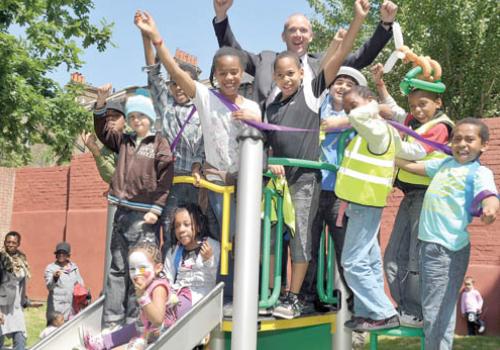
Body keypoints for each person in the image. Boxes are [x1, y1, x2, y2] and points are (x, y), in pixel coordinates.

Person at [134, 9, 260, 306]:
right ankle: (216, 294)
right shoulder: (206, 99)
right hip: (216, 186)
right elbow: (175, 74)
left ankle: (239, 295)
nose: (229, 77)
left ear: (241, 74)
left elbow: (265, 144)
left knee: (241, 240)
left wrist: (252, 124)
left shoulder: (253, 107)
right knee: (218, 237)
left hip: (244, 185)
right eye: (223, 73)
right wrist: (156, 38)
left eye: (234, 72)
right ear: (214, 76)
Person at [265, 0, 369, 319]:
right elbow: (269, 143)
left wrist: (357, 20)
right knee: (271, 235)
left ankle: (294, 297)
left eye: (292, 74)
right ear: (274, 76)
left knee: (301, 238)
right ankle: (272, 293)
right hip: (278, 181)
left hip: (305, 180)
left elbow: (338, 57)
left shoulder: (311, 93)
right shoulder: (271, 106)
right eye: (281, 75)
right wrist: (271, 161)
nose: (287, 79)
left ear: (301, 72)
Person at [396, 118, 499, 349]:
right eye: (457, 139)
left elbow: (489, 194)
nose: (462, 144)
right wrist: (388, 153)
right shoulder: (444, 164)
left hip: (444, 249)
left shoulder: (479, 172)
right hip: (429, 246)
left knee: (435, 311)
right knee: (440, 308)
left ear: (484, 146)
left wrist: (490, 208)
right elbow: (412, 167)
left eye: (470, 139)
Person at [335, 86, 428, 331]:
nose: (351, 112)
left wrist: (377, 109)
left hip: (365, 203)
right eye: (347, 108)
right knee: (369, 260)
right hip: (362, 204)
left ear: (369, 102)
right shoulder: (379, 132)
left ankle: (383, 313)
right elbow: (415, 150)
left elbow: (359, 117)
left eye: (354, 104)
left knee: (353, 262)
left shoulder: (375, 129)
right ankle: (369, 313)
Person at [370, 63, 455, 327]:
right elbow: (395, 112)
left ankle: (417, 310)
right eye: (414, 105)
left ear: (437, 102)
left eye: (423, 104)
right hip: (410, 197)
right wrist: (380, 85)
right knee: (393, 256)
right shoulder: (413, 122)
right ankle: (403, 307)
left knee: (415, 257)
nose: (417, 109)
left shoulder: (440, 126)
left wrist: (388, 149)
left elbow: (417, 150)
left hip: (427, 197)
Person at [212, 0, 397, 107]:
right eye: (292, 30)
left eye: (303, 30)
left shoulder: (322, 63)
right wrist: (221, 16)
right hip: (262, 145)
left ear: (311, 36)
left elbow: (360, 58)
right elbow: (234, 55)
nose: (298, 35)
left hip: (304, 147)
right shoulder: (265, 59)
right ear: (283, 36)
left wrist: (386, 24)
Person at [94, 87, 175, 330]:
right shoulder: (125, 141)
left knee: (138, 272)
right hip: (122, 214)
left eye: (141, 116)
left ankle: (133, 323)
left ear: (150, 117)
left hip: (144, 219)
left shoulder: (159, 143)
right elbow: (103, 132)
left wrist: (157, 209)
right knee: (117, 269)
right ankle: (111, 322)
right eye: (131, 117)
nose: (136, 121)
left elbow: (166, 180)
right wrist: (100, 104)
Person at [301, 66, 367, 312]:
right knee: (308, 245)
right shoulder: (315, 107)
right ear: (329, 86)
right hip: (313, 185)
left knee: (346, 249)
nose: (342, 87)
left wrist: (343, 122)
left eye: (349, 84)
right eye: (338, 82)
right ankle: (308, 299)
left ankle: (355, 306)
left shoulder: (360, 114)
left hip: (343, 191)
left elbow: (383, 115)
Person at [139, 28, 205, 257]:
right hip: (170, 179)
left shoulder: (202, 111)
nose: (178, 88)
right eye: (174, 83)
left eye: (183, 83)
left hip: (194, 182)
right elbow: (153, 74)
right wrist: (145, 37)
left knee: (195, 230)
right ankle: (168, 275)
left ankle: (190, 272)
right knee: (169, 229)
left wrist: (198, 164)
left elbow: (206, 145)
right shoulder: (167, 107)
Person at [81, 242, 191, 350]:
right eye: (132, 269)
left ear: (157, 268)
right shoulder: (146, 284)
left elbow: (158, 319)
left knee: (133, 342)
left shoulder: (159, 288)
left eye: (142, 268)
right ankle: (102, 342)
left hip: (161, 333)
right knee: (131, 329)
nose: (137, 273)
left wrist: (142, 296)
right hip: (146, 327)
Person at [164, 204, 220, 304]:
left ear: (198, 226)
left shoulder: (212, 246)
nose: (181, 230)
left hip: (202, 299)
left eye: (186, 224)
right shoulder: (174, 251)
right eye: (177, 226)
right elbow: (168, 277)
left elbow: (218, 280)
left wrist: (209, 260)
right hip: (178, 297)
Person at [82, 101, 127, 184]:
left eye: (116, 115)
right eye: (107, 116)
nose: (111, 119)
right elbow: (113, 179)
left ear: (125, 120)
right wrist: (96, 152)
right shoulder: (106, 150)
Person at [0, 231, 30, 350]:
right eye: (8, 242)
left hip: (16, 306)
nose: (10, 244)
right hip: (2, 306)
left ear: (18, 244)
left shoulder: (22, 260)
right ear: (4, 243)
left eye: (14, 242)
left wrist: (25, 301)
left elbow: (21, 284)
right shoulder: (0, 259)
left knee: (20, 338)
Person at [44, 242, 84, 322]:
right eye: (59, 253)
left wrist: (83, 294)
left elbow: (80, 283)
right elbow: (49, 287)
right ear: (56, 254)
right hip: (57, 308)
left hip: (71, 307)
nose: (61, 255)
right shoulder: (51, 268)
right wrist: (54, 278)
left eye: (63, 253)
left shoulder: (74, 267)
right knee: (55, 331)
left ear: (68, 255)